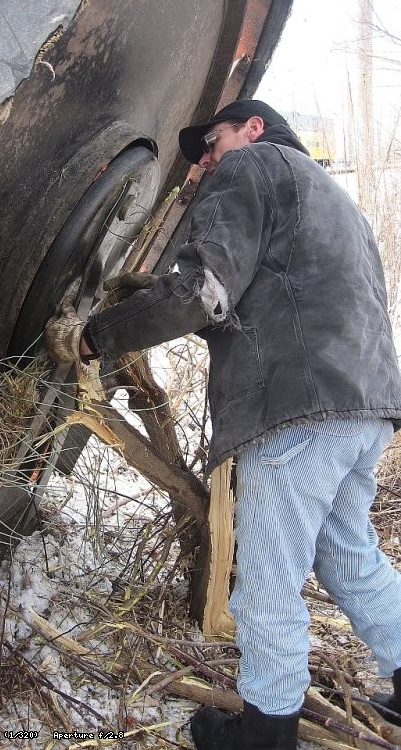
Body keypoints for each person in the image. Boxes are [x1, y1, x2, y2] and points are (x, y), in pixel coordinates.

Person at [44, 100, 401, 750]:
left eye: (210, 143)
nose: (204, 160)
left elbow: (202, 290)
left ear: (253, 129)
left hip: (292, 413)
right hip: (365, 406)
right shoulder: (331, 196)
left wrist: (93, 339)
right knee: (350, 557)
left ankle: (263, 738)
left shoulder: (250, 169)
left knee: (266, 585)